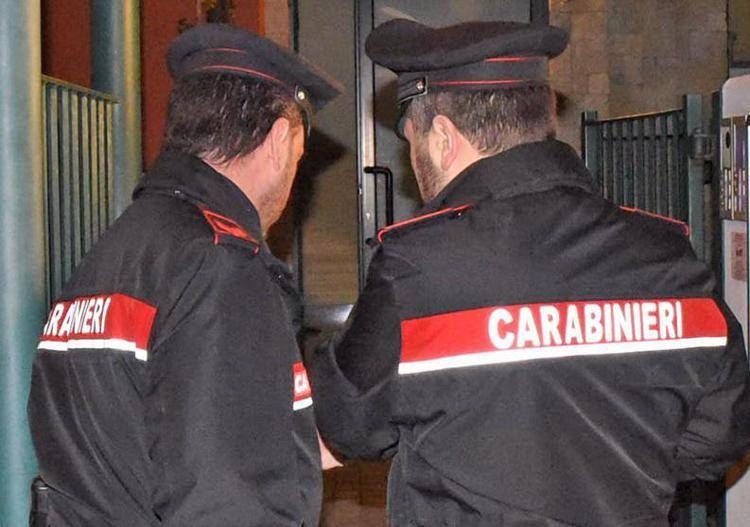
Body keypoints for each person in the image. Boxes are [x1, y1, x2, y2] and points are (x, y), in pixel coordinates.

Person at [307, 19, 750, 527]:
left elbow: (346, 423)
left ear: (443, 137)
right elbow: (721, 433)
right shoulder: (666, 255)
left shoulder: (419, 268)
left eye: (412, 140)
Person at [28, 23, 339, 526]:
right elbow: (231, 505)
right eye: (300, 158)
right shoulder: (219, 266)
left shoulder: (118, 249)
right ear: (280, 140)